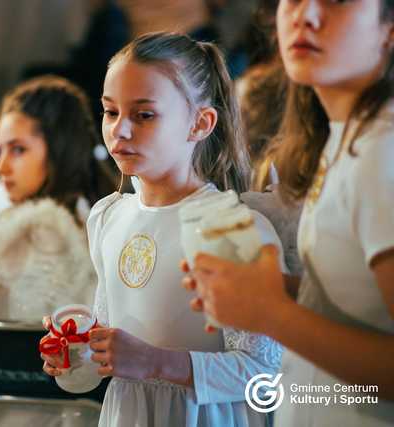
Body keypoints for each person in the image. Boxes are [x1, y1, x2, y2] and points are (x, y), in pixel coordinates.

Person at [42, 32, 287, 426]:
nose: (119, 131)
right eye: (110, 112)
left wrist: (157, 362)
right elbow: (108, 359)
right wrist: (77, 355)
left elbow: (265, 372)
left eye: (143, 115)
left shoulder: (230, 228)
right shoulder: (107, 217)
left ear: (200, 123)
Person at [186, 1, 394, 426]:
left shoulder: (383, 152)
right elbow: (363, 304)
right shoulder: (347, 138)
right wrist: (276, 289)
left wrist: (270, 312)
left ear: (389, 28)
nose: (307, 14)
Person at [0, 75, 117, 322]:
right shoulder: (3, 198)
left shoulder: (60, 225)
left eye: (18, 149)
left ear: (59, 149)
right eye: (0, 150)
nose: (0, 166)